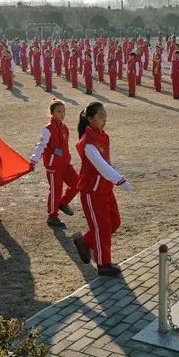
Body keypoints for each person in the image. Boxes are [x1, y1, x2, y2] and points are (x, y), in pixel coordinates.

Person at [71, 102, 132, 277]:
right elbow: (101, 166)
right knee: (102, 228)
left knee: (114, 222)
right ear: (89, 119)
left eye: (105, 116)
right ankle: (103, 264)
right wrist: (120, 181)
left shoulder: (102, 135)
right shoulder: (87, 142)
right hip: (92, 192)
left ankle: (84, 242)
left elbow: (107, 164)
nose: (104, 120)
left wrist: (115, 180)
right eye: (100, 117)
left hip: (105, 188)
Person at [30, 99, 79, 228]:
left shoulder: (64, 127)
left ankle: (63, 203)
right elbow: (40, 146)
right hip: (53, 166)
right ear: (51, 113)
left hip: (65, 164)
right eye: (59, 111)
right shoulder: (48, 129)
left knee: (77, 183)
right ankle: (52, 216)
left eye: (64, 111)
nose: (62, 114)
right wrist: (34, 160)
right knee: (56, 191)